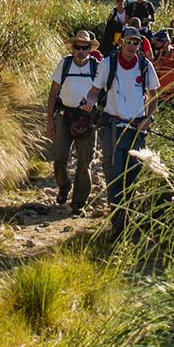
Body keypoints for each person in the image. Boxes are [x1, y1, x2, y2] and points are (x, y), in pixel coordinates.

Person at [91, 27, 158, 238]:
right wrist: (86, 103)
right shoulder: (107, 64)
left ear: (140, 45)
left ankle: (126, 223)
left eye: (136, 42)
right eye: (128, 41)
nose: (132, 46)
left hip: (137, 130)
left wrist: (147, 119)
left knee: (132, 178)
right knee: (114, 177)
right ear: (121, 42)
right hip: (112, 128)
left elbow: (154, 94)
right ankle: (119, 228)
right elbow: (95, 92)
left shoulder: (145, 66)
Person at [45, 29, 100, 212]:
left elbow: (103, 92)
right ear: (72, 48)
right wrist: (50, 122)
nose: (81, 51)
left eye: (85, 47)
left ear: (89, 49)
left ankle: (78, 202)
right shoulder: (65, 64)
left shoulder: (96, 67)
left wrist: (94, 106)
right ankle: (63, 186)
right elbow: (53, 95)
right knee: (59, 157)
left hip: (87, 119)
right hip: (64, 116)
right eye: (78, 47)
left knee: (85, 160)